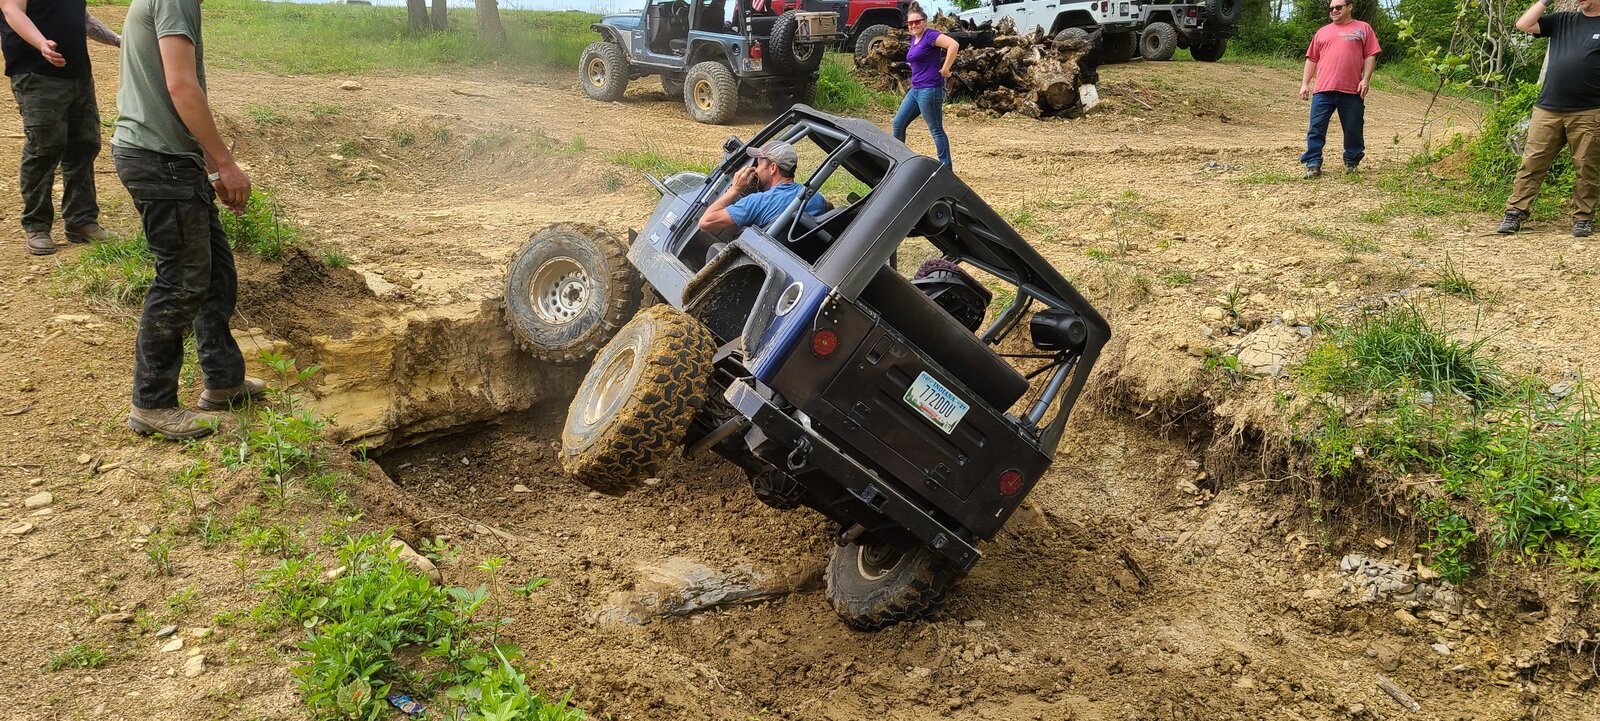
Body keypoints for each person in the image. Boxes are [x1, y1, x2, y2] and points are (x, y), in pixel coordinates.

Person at [113, 0, 263, 440]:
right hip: (158, 160)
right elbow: (181, 86)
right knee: (181, 280)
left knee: (216, 273)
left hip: (173, 159)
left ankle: (223, 381)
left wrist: (210, 168)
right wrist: (225, 163)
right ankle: (152, 403)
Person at [1, 0, 121, 256]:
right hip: (36, 73)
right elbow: (12, 10)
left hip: (78, 73)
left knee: (84, 146)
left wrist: (118, 40)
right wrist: (41, 43)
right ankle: (37, 226)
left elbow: (84, 18)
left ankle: (81, 221)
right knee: (44, 149)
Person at [1497, 0, 1600, 237]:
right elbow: (1523, 24)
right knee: (1532, 163)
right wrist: (1545, 0)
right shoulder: (1563, 20)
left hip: (1589, 111)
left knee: (1587, 167)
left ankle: (1583, 218)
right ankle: (1515, 213)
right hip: (1548, 108)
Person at [1298, 0, 1380, 179]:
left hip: (1352, 90)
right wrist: (1305, 83)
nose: (1334, 10)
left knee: (1353, 128)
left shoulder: (1363, 28)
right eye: (1331, 8)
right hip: (1323, 90)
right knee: (1316, 128)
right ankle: (1313, 164)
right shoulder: (1322, 32)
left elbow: (1370, 55)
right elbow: (1312, 59)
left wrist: (1365, 80)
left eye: (1338, 7)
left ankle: (1352, 162)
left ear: (1349, 7)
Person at [699, 140, 829, 232]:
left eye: (759, 164)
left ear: (773, 168)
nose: (756, 169)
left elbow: (705, 222)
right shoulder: (816, 198)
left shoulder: (757, 202)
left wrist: (734, 189)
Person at [891, 3, 958, 169]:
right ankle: (897, 162)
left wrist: (946, 68)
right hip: (915, 89)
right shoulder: (914, 38)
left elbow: (953, 45)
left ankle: (946, 168)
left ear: (925, 22)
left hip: (930, 89)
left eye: (917, 22)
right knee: (898, 124)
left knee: (935, 130)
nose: (913, 25)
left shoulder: (930, 35)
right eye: (910, 23)